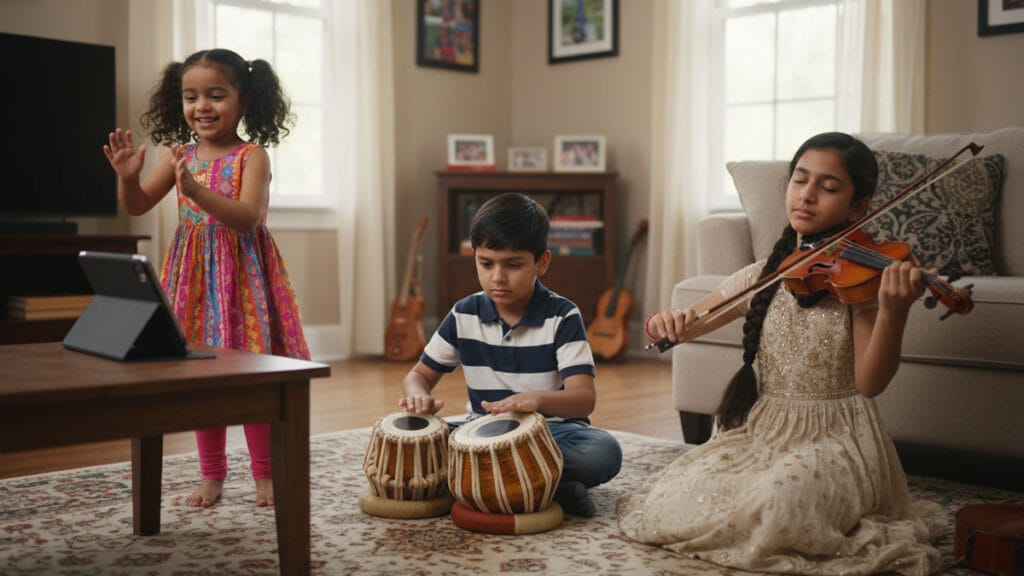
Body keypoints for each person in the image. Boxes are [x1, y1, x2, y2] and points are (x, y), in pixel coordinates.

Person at [618, 132, 946, 575]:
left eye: (828, 188)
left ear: (858, 207)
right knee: (677, 493)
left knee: (777, 503)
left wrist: (893, 312)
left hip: (836, 438)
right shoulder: (762, 275)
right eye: (799, 180)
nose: (807, 196)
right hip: (767, 431)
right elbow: (687, 321)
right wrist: (666, 323)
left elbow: (871, 383)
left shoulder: (859, 285)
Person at [103, 48, 308, 509]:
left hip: (243, 278)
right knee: (204, 377)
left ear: (244, 102)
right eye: (191, 96)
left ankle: (265, 477)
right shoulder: (179, 155)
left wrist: (195, 190)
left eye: (216, 95)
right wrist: (127, 179)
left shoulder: (252, 156)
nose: (202, 107)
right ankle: (212, 476)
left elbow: (248, 217)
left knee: (252, 375)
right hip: (193, 280)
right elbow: (137, 205)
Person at [400, 192, 622, 518]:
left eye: (513, 265)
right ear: (474, 256)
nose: (498, 277)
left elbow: (583, 398)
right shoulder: (464, 314)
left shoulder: (563, 316)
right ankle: (546, 488)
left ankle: (485, 483)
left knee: (602, 452)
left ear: (542, 262)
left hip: (550, 433)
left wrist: (537, 400)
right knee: (413, 439)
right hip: (481, 432)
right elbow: (418, 375)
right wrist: (417, 395)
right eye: (486, 263)